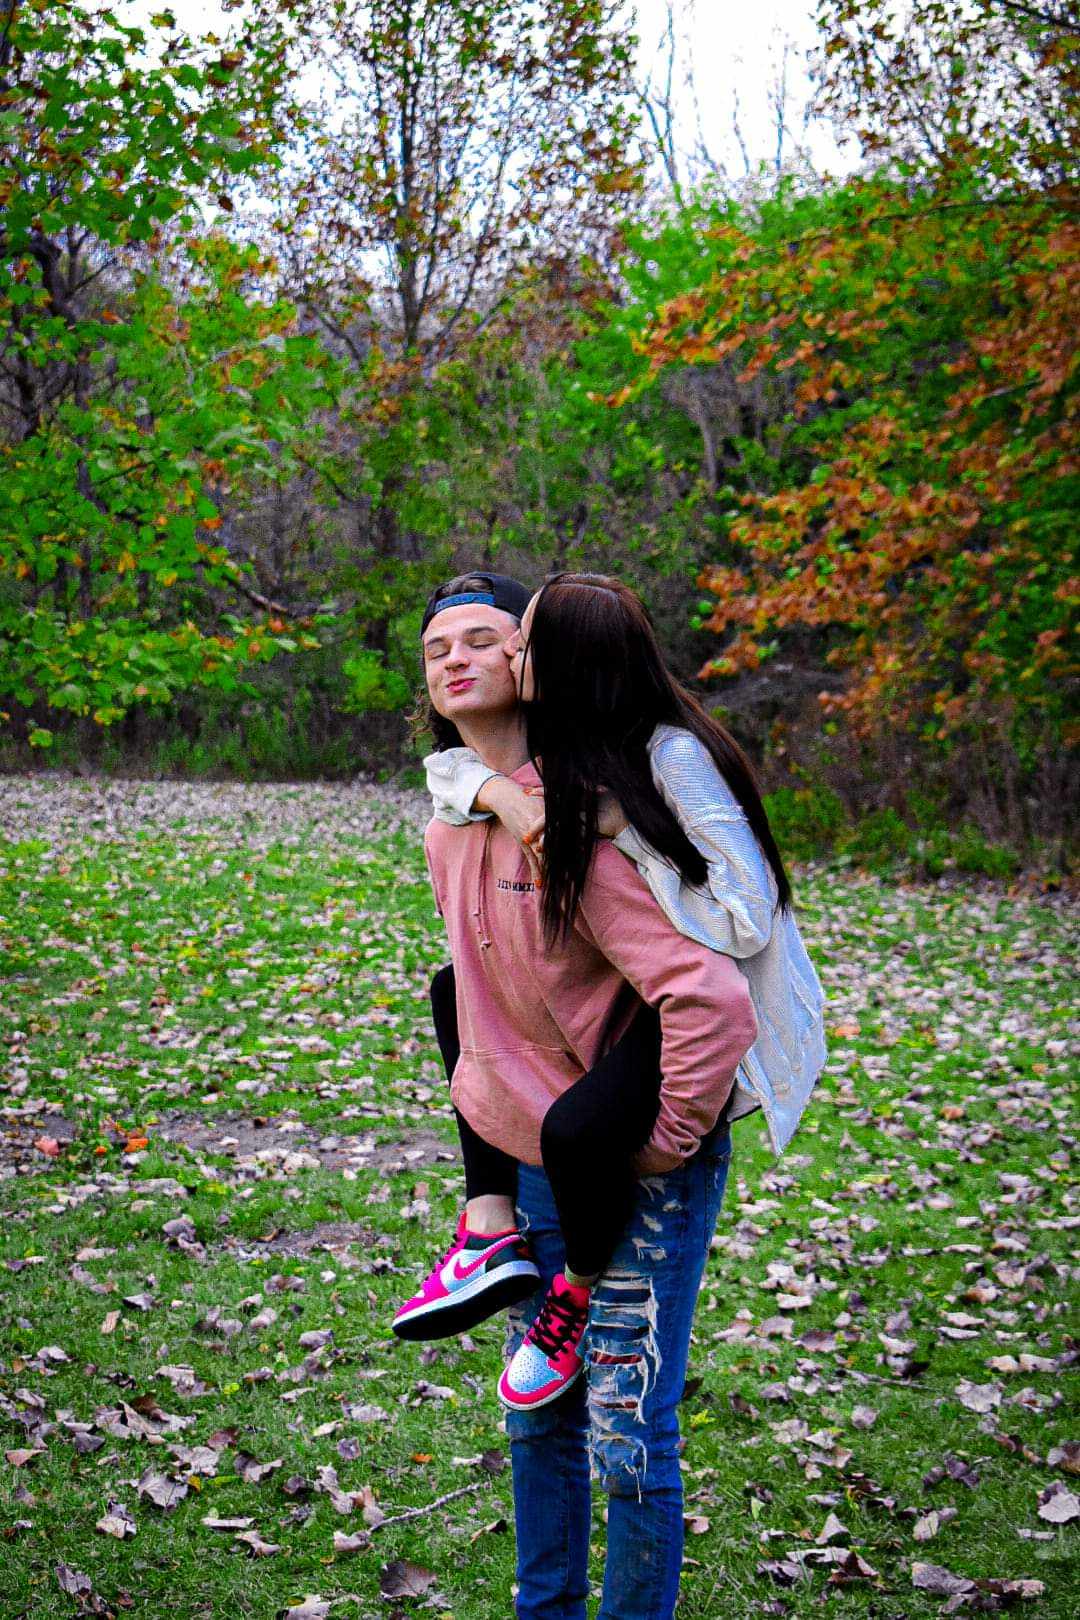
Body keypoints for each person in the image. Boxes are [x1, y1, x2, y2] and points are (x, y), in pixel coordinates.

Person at [398, 569, 798, 1620]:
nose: (461, 659)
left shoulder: (602, 806)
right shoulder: (454, 816)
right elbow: (479, 985)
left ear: (534, 667)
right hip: (541, 1153)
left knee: (627, 1433)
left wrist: (666, 1139)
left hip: (634, 1146)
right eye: (437, 648)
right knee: (539, 1420)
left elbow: (713, 982)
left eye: (490, 640)